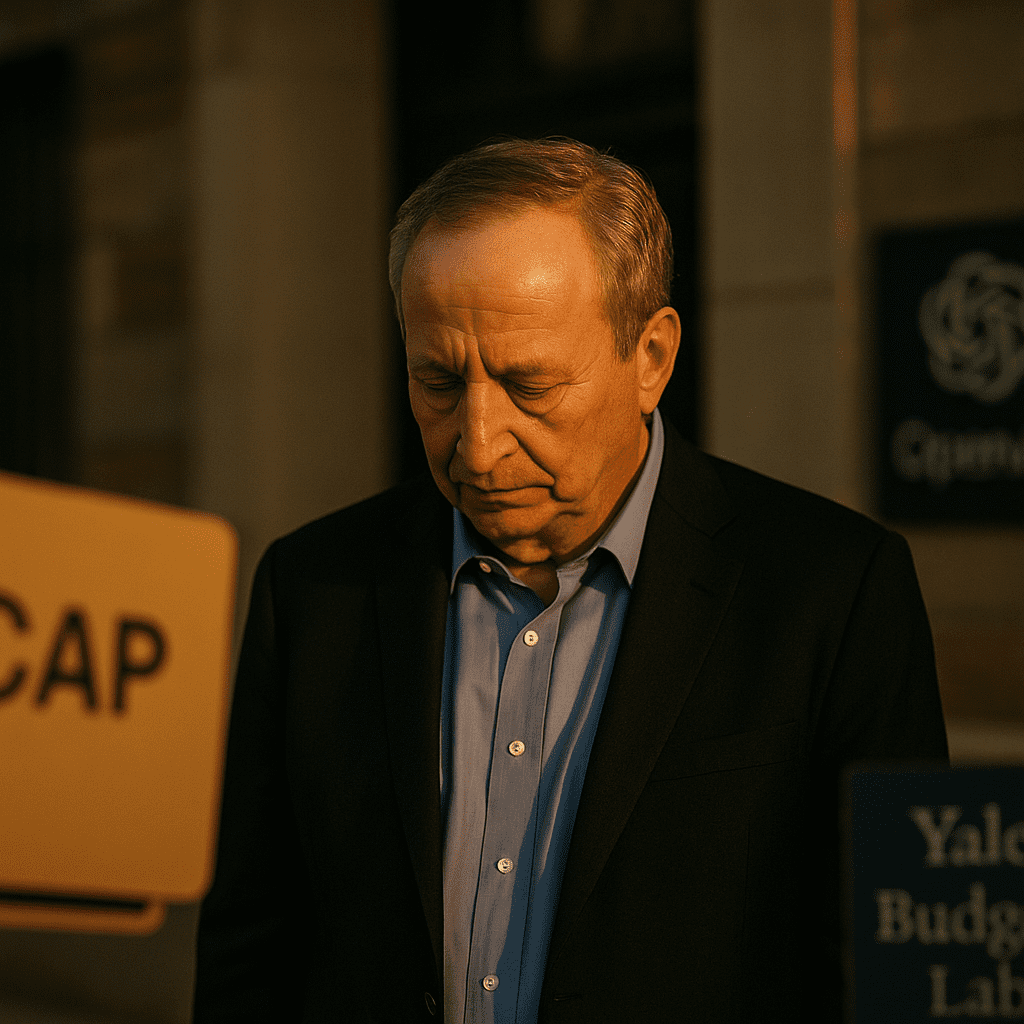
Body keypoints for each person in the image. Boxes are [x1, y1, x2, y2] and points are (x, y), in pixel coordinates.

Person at [193, 137, 948, 1024]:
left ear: (652, 359)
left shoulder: (833, 592)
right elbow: (253, 950)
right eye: (438, 382)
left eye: (529, 385)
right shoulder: (311, 589)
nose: (477, 443)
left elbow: (884, 965)